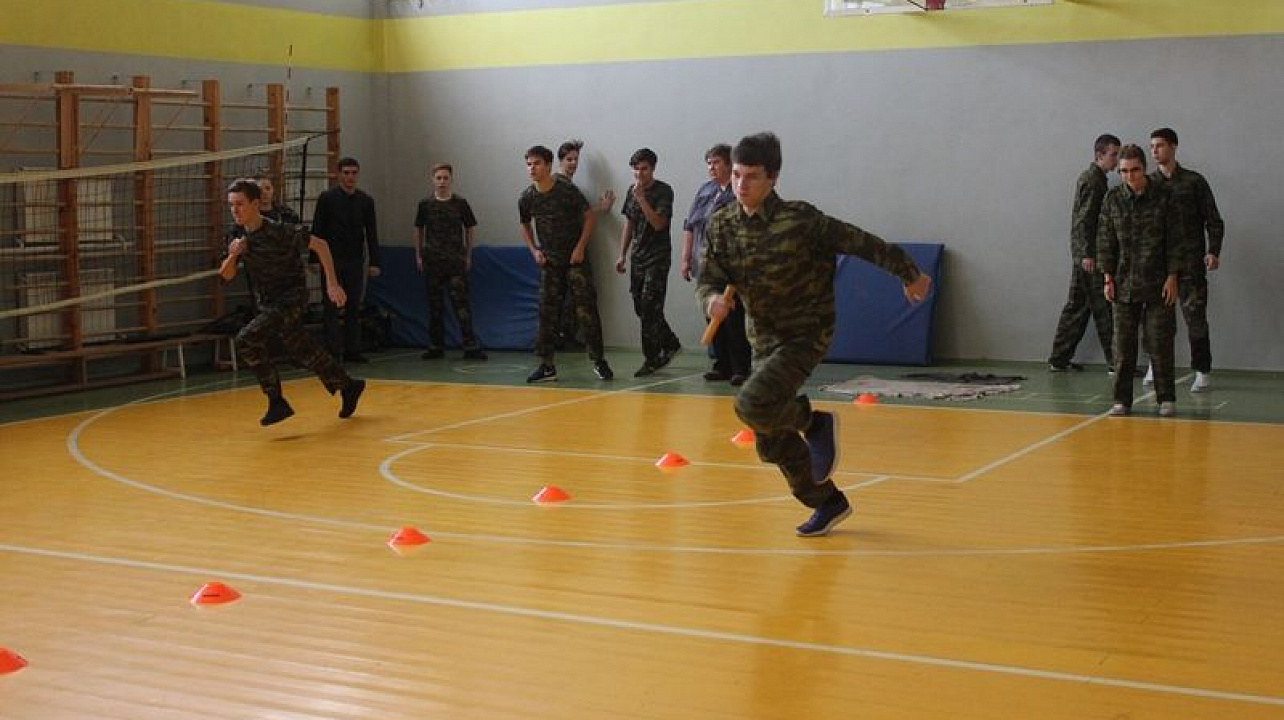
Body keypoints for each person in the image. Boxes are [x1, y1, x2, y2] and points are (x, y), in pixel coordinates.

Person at [698, 132, 930, 537]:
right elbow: (709, 278)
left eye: (751, 176)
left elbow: (861, 243)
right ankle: (827, 501)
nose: (741, 184)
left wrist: (909, 273)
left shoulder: (801, 220)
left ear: (772, 177)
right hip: (763, 341)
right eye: (736, 175)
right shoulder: (722, 225)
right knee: (770, 442)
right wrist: (711, 299)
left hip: (807, 332)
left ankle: (814, 422)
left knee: (751, 405)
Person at [218, 178, 365, 426]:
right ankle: (348, 385)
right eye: (231, 205)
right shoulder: (236, 237)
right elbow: (226, 274)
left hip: (292, 299)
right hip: (268, 302)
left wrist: (332, 283)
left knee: (245, 339)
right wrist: (234, 254)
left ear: (255, 204)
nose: (235, 210)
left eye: (240, 204)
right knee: (303, 351)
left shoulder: (279, 230)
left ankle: (276, 401)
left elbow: (321, 245)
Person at [1098, 144, 1181, 418]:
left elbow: (1175, 241)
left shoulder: (1165, 197)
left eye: (1134, 170)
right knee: (1122, 345)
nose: (1129, 176)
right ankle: (1122, 400)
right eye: (1123, 172)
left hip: (1158, 282)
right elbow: (1106, 240)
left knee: (1159, 342)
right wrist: (1107, 277)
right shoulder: (1113, 199)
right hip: (1123, 283)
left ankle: (1166, 398)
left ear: (1144, 169)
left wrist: (1173, 277)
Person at [519, 145, 613, 383]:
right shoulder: (527, 197)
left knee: (586, 310)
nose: (532, 168)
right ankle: (547, 365)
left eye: (537, 163)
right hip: (550, 263)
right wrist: (534, 250)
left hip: (574, 261)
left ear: (549, 165)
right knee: (547, 312)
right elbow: (524, 224)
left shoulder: (566, 190)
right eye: (529, 164)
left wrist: (580, 247)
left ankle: (599, 361)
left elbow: (589, 217)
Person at [1145, 127, 1224, 392]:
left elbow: (1213, 220)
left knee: (1195, 319)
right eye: (1152, 146)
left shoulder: (1194, 182)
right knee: (1157, 321)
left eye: (1160, 145)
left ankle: (1202, 369)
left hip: (1190, 264)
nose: (1155, 151)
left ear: (1174, 147)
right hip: (1157, 266)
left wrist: (1213, 251)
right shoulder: (1148, 184)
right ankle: (1154, 366)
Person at [1047, 134, 1118, 374]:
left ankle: (1059, 358)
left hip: (1084, 256)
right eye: (1113, 154)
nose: (1116, 160)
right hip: (1089, 257)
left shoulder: (1095, 179)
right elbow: (1084, 220)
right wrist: (1087, 254)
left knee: (1077, 307)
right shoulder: (1094, 181)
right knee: (1104, 308)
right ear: (1099, 155)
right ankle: (1115, 362)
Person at [682, 143, 750, 386]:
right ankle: (721, 364)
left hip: (730, 263)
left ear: (729, 164)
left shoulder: (739, 191)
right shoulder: (705, 191)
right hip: (705, 263)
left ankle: (740, 367)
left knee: (733, 317)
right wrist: (685, 258)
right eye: (709, 163)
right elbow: (690, 225)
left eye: (716, 162)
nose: (711, 167)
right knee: (711, 312)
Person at [615, 148, 681, 377]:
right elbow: (629, 224)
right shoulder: (630, 191)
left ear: (652, 169)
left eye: (643, 168)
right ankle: (670, 341)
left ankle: (652, 358)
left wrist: (642, 198)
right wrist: (622, 254)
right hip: (638, 257)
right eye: (635, 168)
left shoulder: (664, 191)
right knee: (641, 307)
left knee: (650, 306)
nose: (639, 173)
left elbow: (659, 223)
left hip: (658, 256)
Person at [311, 157, 381, 364]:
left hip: (355, 259)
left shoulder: (366, 201)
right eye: (346, 173)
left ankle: (353, 349)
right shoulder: (327, 198)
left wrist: (374, 261)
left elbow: (372, 233)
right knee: (331, 306)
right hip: (331, 260)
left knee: (353, 305)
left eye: (354, 173)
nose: (350, 177)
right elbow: (318, 229)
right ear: (339, 174)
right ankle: (333, 351)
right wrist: (314, 259)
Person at [414, 162, 487, 361]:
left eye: (446, 178)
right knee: (435, 307)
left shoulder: (460, 203)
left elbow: (470, 227)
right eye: (438, 178)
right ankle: (435, 346)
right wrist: (418, 255)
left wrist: (468, 255)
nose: (442, 181)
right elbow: (419, 229)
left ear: (451, 180)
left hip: (455, 261)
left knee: (462, 306)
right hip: (433, 262)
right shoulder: (425, 204)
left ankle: (470, 346)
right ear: (433, 180)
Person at [553, 140, 616, 351]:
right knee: (577, 295)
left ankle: (568, 336)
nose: (573, 164)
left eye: (576, 160)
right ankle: (565, 338)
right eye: (569, 159)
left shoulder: (569, 187)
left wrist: (601, 209)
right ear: (560, 160)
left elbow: (578, 215)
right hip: (567, 250)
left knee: (576, 295)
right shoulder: (558, 184)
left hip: (572, 249)